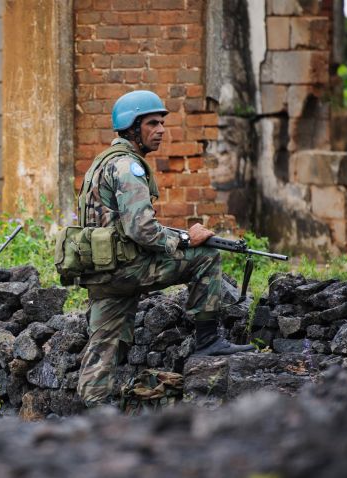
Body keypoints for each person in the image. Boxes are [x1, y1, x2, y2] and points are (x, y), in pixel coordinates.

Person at [75, 90, 253, 407]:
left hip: (102, 271)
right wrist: (187, 239)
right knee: (206, 256)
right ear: (132, 127)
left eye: (162, 123)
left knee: (103, 343)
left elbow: (119, 225)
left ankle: (91, 412)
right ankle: (208, 339)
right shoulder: (129, 168)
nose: (161, 130)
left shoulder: (101, 164)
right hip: (126, 269)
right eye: (152, 123)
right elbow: (141, 229)